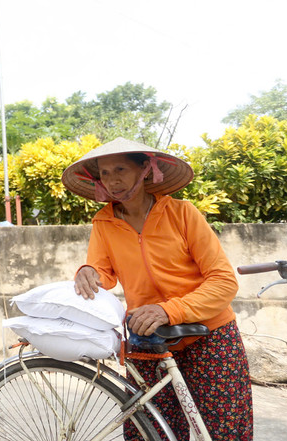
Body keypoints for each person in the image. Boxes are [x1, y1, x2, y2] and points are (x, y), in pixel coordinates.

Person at [61, 137, 252, 441]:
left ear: (145, 169)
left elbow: (223, 280)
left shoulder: (182, 214)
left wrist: (168, 310)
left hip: (210, 335)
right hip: (148, 335)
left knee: (225, 432)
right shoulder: (104, 222)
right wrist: (87, 271)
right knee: (147, 432)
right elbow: (103, 273)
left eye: (121, 169)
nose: (113, 181)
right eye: (105, 173)